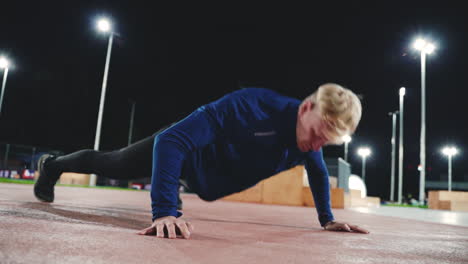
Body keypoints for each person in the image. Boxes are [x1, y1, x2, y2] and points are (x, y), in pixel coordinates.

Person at [34, 83, 369, 239]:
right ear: (306, 108)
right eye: (318, 133)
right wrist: (164, 210)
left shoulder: (310, 141)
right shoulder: (251, 106)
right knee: (112, 163)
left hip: (203, 176)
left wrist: (327, 219)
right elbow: (171, 140)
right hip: (180, 151)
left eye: (326, 140)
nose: (316, 144)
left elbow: (319, 172)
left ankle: (174, 190)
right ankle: (51, 165)